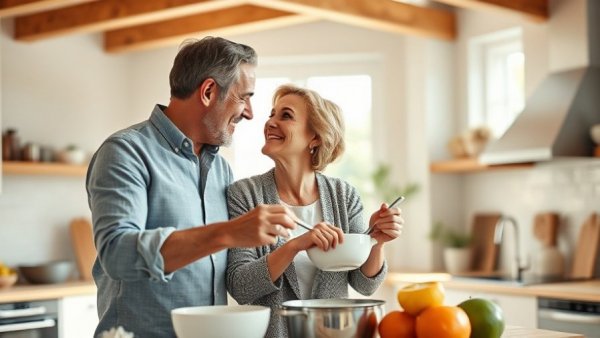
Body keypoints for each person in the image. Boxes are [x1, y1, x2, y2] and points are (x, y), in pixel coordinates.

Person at [85, 37, 296, 338]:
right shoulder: (125, 152)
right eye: (243, 97)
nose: (249, 112)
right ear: (209, 91)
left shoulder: (221, 169)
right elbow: (117, 254)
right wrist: (228, 232)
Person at [226, 84, 405, 337]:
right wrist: (295, 245)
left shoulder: (344, 195)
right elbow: (240, 286)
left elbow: (365, 284)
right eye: (271, 114)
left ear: (315, 137)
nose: (270, 123)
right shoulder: (244, 195)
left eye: (285, 115)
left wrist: (375, 241)